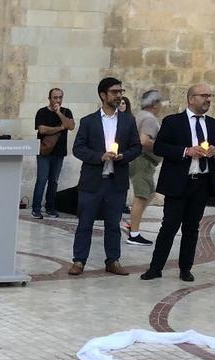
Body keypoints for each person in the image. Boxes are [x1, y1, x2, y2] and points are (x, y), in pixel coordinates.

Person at [140, 84, 215, 282]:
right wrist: (186, 151)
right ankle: (155, 268)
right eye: (204, 95)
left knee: (192, 228)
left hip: (201, 183)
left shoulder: (214, 125)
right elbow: (161, 147)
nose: (208, 99)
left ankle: (185, 268)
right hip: (178, 182)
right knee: (169, 226)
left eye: (210, 95)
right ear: (191, 99)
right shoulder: (173, 122)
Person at [68, 77, 142, 276]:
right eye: (115, 92)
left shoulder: (128, 121)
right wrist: (99, 156)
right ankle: (79, 260)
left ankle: (113, 260)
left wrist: (123, 156)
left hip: (116, 182)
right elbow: (78, 149)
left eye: (121, 91)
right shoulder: (88, 121)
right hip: (92, 181)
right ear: (103, 95)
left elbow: (137, 148)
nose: (119, 95)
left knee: (113, 224)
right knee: (85, 223)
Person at [126, 89, 162, 247]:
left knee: (149, 193)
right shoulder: (149, 119)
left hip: (141, 160)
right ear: (154, 104)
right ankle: (134, 233)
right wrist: (162, 148)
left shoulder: (140, 115)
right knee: (142, 196)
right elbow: (144, 140)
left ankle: (133, 222)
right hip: (143, 160)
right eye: (159, 102)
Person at [31, 88, 75, 219]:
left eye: (60, 97)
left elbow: (71, 126)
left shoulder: (66, 112)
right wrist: (60, 127)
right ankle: (36, 208)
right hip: (44, 152)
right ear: (49, 98)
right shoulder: (42, 112)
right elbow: (42, 129)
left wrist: (60, 114)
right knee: (41, 180)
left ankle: (50, 207)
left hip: (59, 152)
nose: (58, 100)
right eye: (55, 97)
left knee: (54, 181)